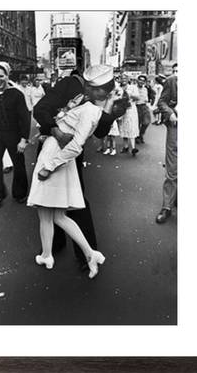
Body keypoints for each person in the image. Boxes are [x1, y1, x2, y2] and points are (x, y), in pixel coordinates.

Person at [33, 64, 127, 269]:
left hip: (70, 154)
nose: (98, 93)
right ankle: (52, 247)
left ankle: (85, 253)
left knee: (74, 201)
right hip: (52, 143)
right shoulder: (68, 84)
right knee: (51, 201)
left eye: (104, 90)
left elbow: (101, 133)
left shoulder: (103, 98)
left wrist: (109, 108)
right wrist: (56, 131)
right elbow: (40, 110)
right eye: (97, 90)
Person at [0, 62, 30, 213]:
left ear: (7, 76)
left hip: (14, 134)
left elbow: (24, 118)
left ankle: (20, 193)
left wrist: (23, 139)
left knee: (18, 164)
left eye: (1, 76)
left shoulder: (17, 94)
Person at [155, 66, 178, 224]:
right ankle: (167, 207)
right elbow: (161, 102)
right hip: (176, 128)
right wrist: (170, 113)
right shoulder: (172, 81)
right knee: (172, 168)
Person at [118, 73, 139, 156]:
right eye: (122, 78)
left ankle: (133, 147)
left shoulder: (133, 87)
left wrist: (130, 94)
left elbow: (137, 97)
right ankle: (125, 146)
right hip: (122, 110)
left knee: (131, 126)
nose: (123, 80)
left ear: (128, 79)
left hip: (131, 109)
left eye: (125, 78)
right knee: (123, 127)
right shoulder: (118, 88)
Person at [136, 75, 151, 143]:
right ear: (137, 80)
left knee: (146, 122)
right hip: (136, 107)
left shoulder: (145, 89)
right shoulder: (134, 88)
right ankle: (137, 136)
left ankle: (141, 134)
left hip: (144, 106)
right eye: (140, 80)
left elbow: (147, 98)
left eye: (143, 80)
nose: (141, 81)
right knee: (137, 123)